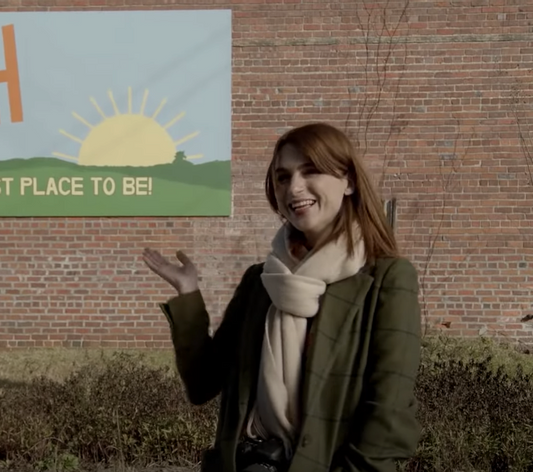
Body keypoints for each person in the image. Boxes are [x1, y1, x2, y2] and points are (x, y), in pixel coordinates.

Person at [142, 123, 421, 472]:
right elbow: (202, 384)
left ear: (348, 181)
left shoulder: (387, 280)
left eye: (311, 171)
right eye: (283, 177)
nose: (295, 188)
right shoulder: (261, 282)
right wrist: (188, 294)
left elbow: (389, 412)